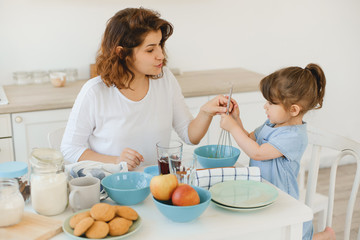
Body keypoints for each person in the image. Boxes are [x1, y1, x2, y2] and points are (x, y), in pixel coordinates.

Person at [61, 7, 230, 170]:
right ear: (122, 53)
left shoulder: (165, 79)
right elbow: (70, 148)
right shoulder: (95, 92)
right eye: (150, 50)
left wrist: (206, 112)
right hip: (112, 187)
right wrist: (116, 161)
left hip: (156, 184)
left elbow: (190, 136)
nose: (161, 55)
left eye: (160, 45)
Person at [220, 63, 336, 240]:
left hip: (282, 199)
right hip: (263, 192)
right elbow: (251, 140)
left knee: (293, 236)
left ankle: (325, 237)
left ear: (293, 109)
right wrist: (237, 120)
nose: (265, 107)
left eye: (271, 103)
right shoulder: (272, 125)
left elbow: (258, 153)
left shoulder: (294, 136)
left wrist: (233, 128)